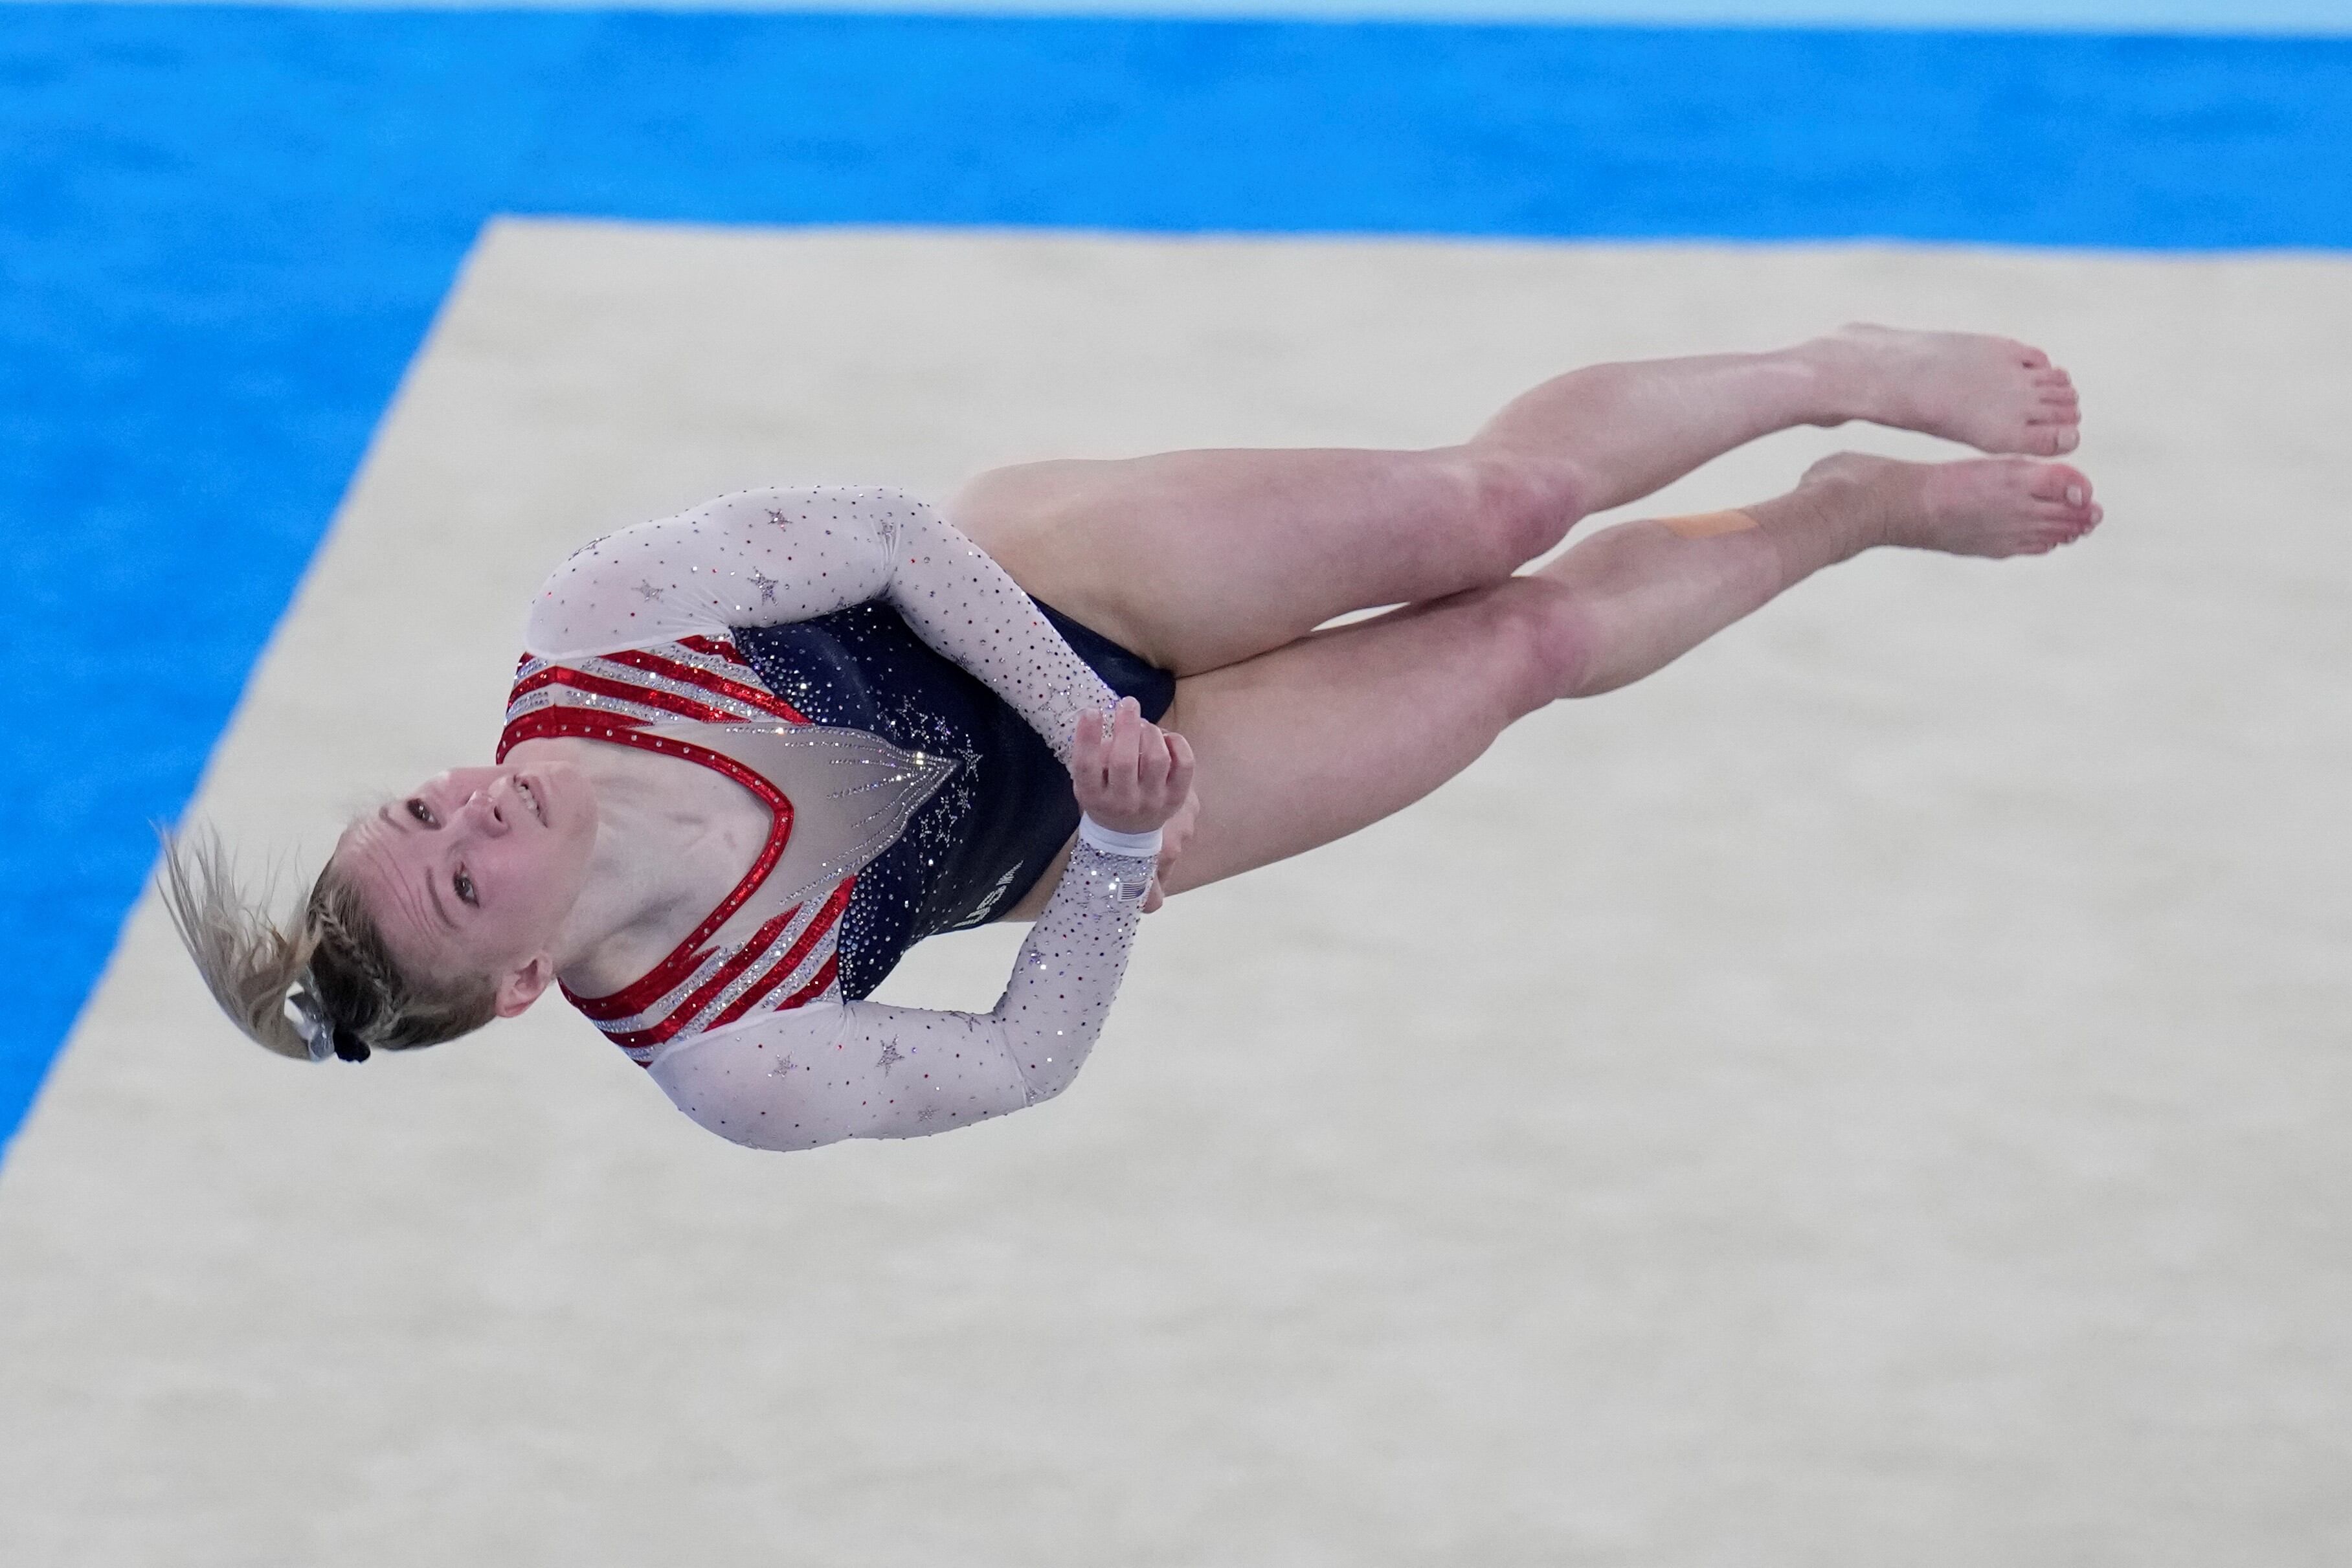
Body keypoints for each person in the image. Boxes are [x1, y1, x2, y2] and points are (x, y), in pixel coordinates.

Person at [163, 325, 2094, 1152]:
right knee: (1527, 647)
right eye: (465, 867)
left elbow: (895, 534)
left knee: (1484, 511)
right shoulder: (735, 1060)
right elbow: (1018, 1057)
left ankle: (1827, 370)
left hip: (1051, 591)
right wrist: (1104, 847)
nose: (469, 800)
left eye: (415, 800)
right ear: (515, 983)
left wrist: (1088, 724)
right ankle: (1838, 509)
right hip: (1100, 832)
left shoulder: (595, 628)